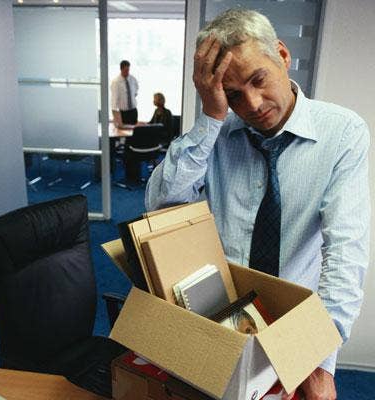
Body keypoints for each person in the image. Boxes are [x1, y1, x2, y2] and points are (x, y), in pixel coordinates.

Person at [145, 9, 370, 400]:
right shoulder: (216, 134)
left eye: (258, 80)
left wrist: (317, 358)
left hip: (296, 323)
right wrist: (211, 117)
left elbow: (345, 253)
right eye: (233, 94)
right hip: (217, 317)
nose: (251, 103)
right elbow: (160, 206)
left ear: (282, 55)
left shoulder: (343, 132)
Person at [110, 60, 139, 125]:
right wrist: (115, 116)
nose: (127, 72)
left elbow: (136, 91)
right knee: (124, 130)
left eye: (128, 70)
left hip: (133, 111)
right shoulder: (116, 82)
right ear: (121, 69)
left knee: (134, 129)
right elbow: (114, 100)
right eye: (126, 70)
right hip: (123, 113)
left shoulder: (133, 79)